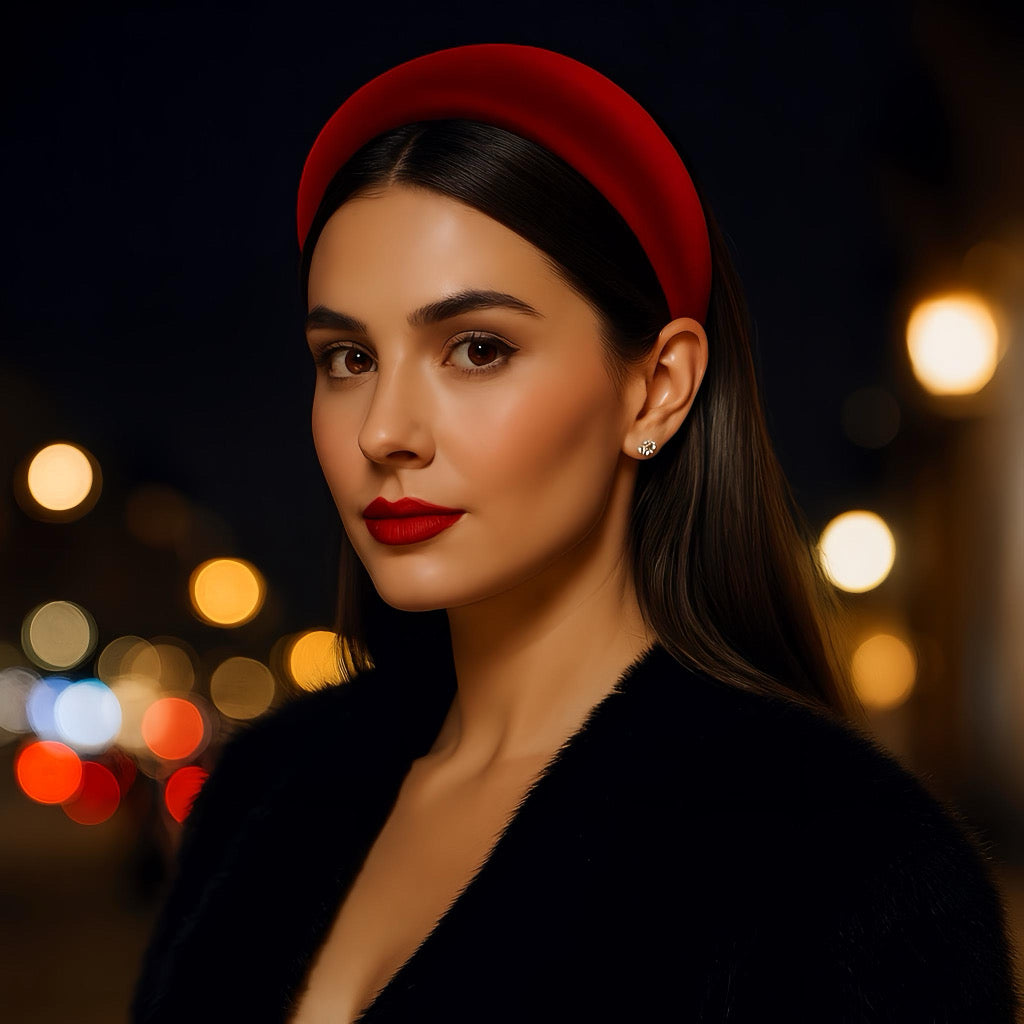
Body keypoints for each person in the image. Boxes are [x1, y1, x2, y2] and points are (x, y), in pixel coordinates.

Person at [131, 43, 1020, 1023]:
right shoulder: (267, 793)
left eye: (476, 348)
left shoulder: (845, 871)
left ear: (658, 387)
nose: (383, 429)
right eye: (346, 356)